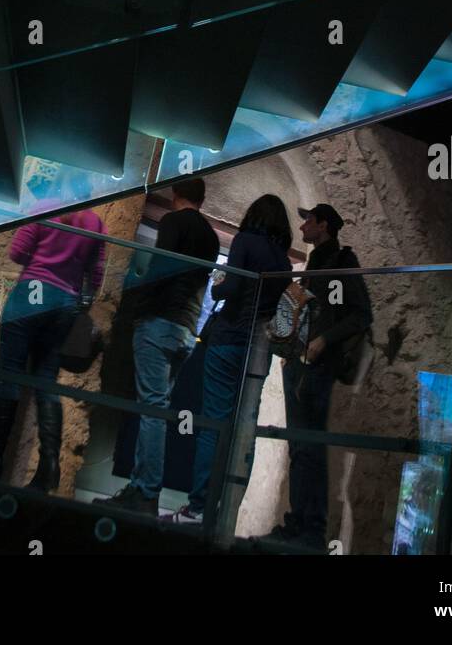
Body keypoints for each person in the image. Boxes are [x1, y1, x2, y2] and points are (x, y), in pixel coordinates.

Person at [166, 193, 293, 526]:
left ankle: (198, 508)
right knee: (243, 430)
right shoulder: (282, 259)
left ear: (254, 214)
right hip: (258, 349)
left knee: (213, 425)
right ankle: (228, 511)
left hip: (229, 339)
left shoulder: (245, 241)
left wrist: (218, 286)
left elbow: (232, 288)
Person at [100, 177, 219, 515]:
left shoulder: (172, 221)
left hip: (159, 321)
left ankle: (146, 492)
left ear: (175, 194)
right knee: (159, 408)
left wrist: (138, 304)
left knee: (151, 409)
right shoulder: (210, 236)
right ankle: (142, 487)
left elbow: (161, 268)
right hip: (186, 328)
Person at [0, 209, 106, 492]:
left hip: (32, 292)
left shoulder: (47, 206)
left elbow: (18, 253)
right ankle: (49, 468)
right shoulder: (96, 222)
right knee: (46, 382)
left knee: (10, 375)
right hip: (65, 304)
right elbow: (96, 277)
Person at [270, 203, 372, 552]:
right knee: (301, 447)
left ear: (324, 224)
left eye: (308, 221)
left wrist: (323, 341)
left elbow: (361, 315)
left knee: (309, 447)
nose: (302, 228)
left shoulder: (343, 260)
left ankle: (311, 530)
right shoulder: (317, 263)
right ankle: (299, 524)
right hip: (300, 363)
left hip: (319, 364)